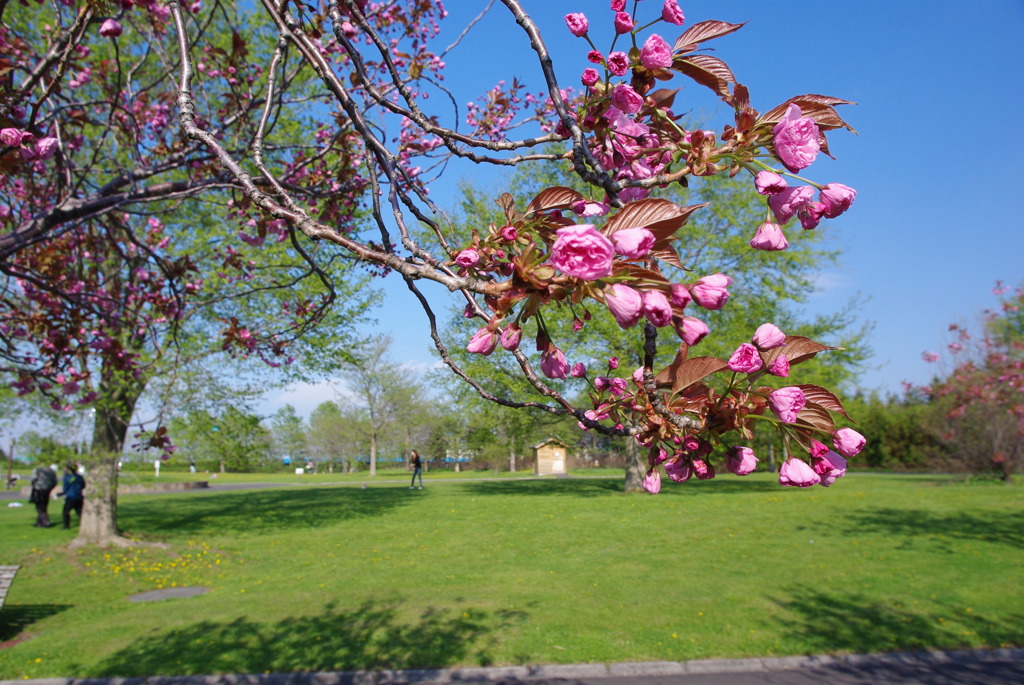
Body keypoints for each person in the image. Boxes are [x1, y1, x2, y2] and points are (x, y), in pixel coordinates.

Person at [57, 462, 86, 530]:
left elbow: (65, 487)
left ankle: (66, 525)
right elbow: (83, 485)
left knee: (65, 512)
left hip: (71, 496)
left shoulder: (68, 477)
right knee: (79, 512)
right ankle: (82, 523)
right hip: (78, 496)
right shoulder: (79, 477)